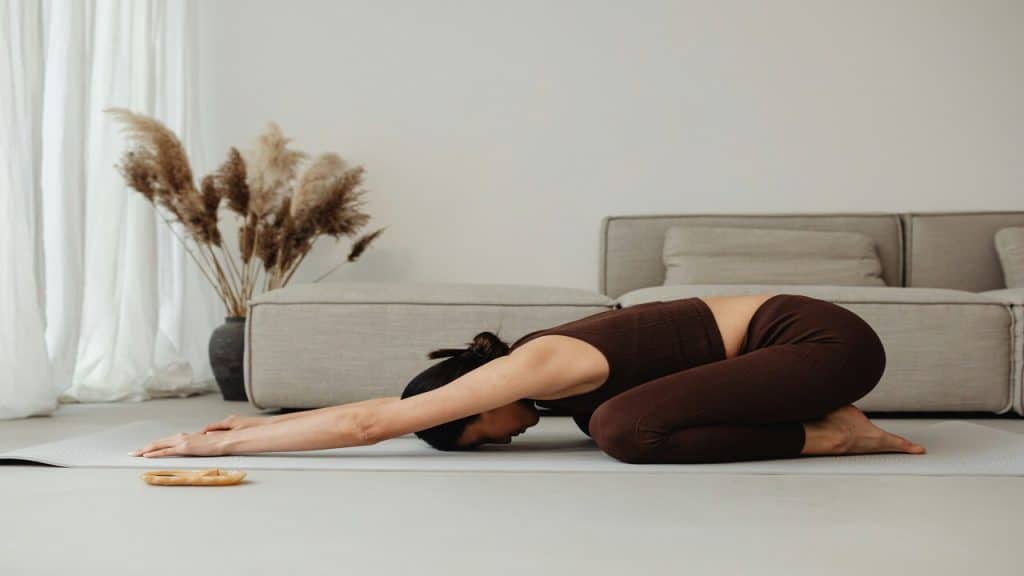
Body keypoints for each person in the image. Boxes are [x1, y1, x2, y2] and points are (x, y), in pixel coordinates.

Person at [131, 294, 926, 463]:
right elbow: (380, 407)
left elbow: (373, 425)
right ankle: (824, 420)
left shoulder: (540, 365)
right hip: (790, 360)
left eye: (477, 431)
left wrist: (202, 448)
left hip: (821, 342)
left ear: (480, 393)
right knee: (603, 420)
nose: (498, 437)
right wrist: (255, 424)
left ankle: (832, 431)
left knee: (622, 429)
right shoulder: (548, 389)